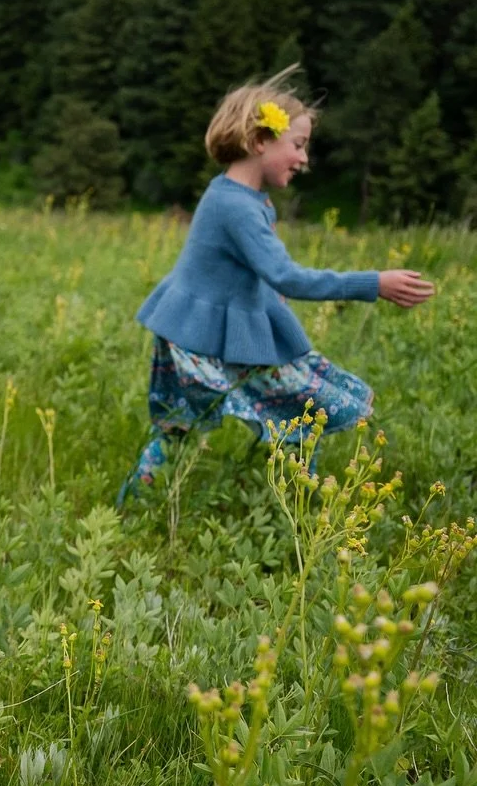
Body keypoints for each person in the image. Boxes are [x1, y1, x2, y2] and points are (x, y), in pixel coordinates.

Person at [123, 72, 434, 500]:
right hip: (196, 340)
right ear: (259, 141)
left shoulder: (241, 198)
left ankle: (286, 508)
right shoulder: (236, 205)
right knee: (295, 412)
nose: (304, 158)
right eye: (299, 144)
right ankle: (292, 513)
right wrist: (373, 283)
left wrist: (271, 295)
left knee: (283, 417)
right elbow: (286, 274)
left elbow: (242, 271)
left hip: (209, 334)